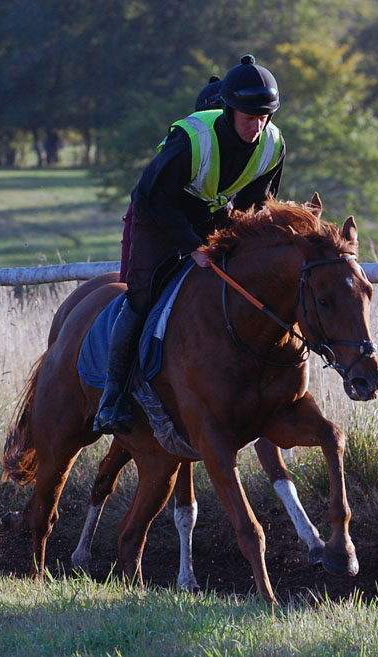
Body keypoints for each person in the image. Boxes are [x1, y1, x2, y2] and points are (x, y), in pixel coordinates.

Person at [95, 54, 285, 435]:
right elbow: (157, 199)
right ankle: (112, 397)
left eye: (264, 117)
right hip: (156, 215)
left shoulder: (273, 144)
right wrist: (193, 246)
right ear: (228, 110)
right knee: (142, 298)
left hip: (212, 213)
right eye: (249, 117)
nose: (257, 126)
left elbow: (255, 203)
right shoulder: (192, 140)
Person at [117, 75, 224, 281]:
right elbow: (162, 201)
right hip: (153, 213)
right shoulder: (188, 143)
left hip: (204, 215)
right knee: (134, 284)